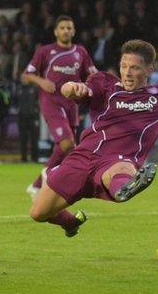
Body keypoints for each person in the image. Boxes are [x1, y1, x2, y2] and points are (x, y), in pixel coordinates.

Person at [29, 39, 158, 237]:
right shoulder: (105, 84)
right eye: (124, 66)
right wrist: (72, 87)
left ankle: (125, 187)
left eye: (134, 68)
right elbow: (76, 90)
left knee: (122, 169)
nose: (127, 72)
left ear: (149, 70)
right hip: (82, 157)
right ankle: (72, 222)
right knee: (38, 213)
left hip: (116, 160)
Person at [22, 15, 97, 198]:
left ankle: (37, 185)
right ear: (56, 31)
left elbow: (92, 74)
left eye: (69, 28)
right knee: (67, 143)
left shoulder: (80, 52)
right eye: (62, 28)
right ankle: (47, 178)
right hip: (52, 102)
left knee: (68, 148)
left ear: (74, 31)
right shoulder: (45, 51)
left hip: (72, 104)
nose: (66, 31)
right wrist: (42, 81)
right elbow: (27, 74)